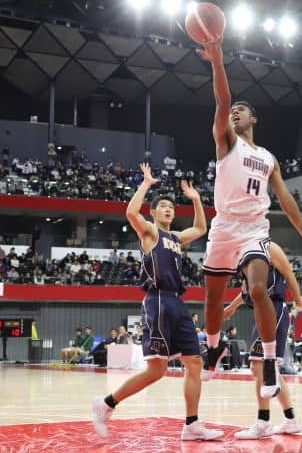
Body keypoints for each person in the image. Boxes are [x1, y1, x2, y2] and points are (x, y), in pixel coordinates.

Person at [197, 37, 302, 400]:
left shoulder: (269, 158)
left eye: (242, 110)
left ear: (254, 119)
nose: (235, 112)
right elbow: (222, 100)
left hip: (255, 229)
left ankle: (271, 361)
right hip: (224, 226)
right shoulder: (227, 141)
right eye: (234, 110)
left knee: (258, 289)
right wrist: (218, 63)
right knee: (212, 298)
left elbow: (284, 197)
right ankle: (214, 348)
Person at [92, 163, 223, 441]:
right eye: (163, 206)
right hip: (158, 301)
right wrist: (146, 183)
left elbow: (201, 227)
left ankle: (191, 425)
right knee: (157, 370)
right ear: (153, 212)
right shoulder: (150, 232)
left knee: (194, 362)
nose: (168, 209)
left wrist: (196, 200)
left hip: (176, 302)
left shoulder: (176, 237)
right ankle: (106, 404)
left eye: (171, 207)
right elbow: (131, 213)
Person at [222, 242, 302, 439]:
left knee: (259, 366)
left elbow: (288, 274)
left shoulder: (269, 248)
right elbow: (247, 291)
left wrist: (298, 301)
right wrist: (232, 307)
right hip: (261, 313)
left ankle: (263, 422)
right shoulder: (244, 257)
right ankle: (290, 420)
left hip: (274, 310)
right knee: (268, 370)